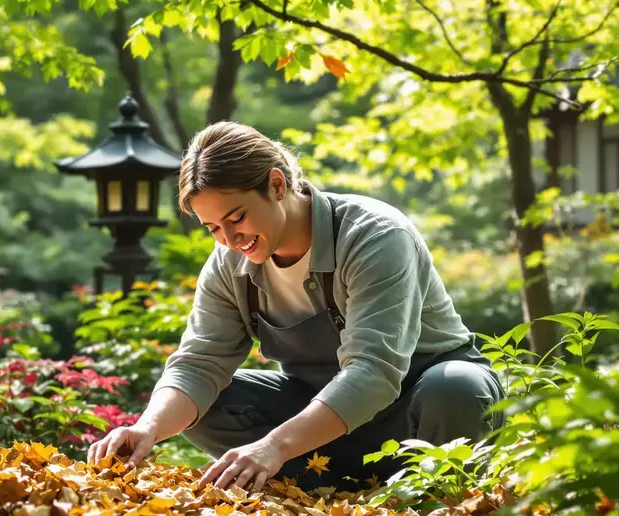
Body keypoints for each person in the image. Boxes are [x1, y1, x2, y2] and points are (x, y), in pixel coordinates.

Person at [86, 121, 505, 493]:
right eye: (213, 228)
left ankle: (428, 493)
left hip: (416, 411)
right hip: (321, 423)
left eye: (236, 218)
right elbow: (198, 363)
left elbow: (374, 371)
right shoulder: (230, 265)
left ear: (277, 185)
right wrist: (147, 428)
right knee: (208, 403)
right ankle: (320, 491)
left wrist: (274, 445)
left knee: (458, 388)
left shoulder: (375, 236)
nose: (230, 240)